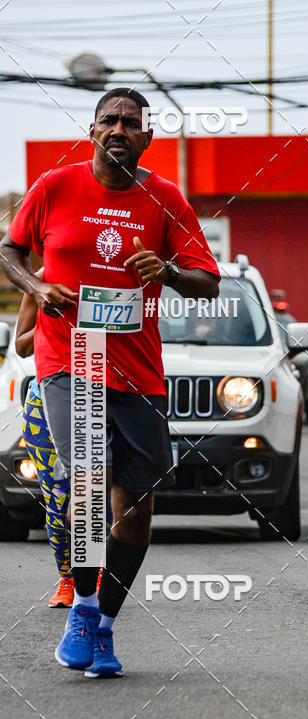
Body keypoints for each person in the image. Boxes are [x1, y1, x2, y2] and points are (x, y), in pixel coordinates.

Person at [0, 87, 220, 677]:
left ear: (147, 137)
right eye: (109, 120)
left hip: (138, 369)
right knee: (90, 478)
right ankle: (82, 604)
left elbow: (208, 282)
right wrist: (37, 287)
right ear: (93, 130)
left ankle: (103, 623)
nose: (119, 129)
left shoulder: (166, 199)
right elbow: (9, 248)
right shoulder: (55, 187)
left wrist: (167, 271)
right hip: (71, 357)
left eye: (130, 122)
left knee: (138, 506)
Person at [16, 287, 111, 607]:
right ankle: (68, 578)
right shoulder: (41, 284)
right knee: (57, 498)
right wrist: (51, 321)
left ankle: (95, 575)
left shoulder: (108, 283)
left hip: (96, 399)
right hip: (43, 406)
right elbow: (21, 347)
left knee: (93, 493)